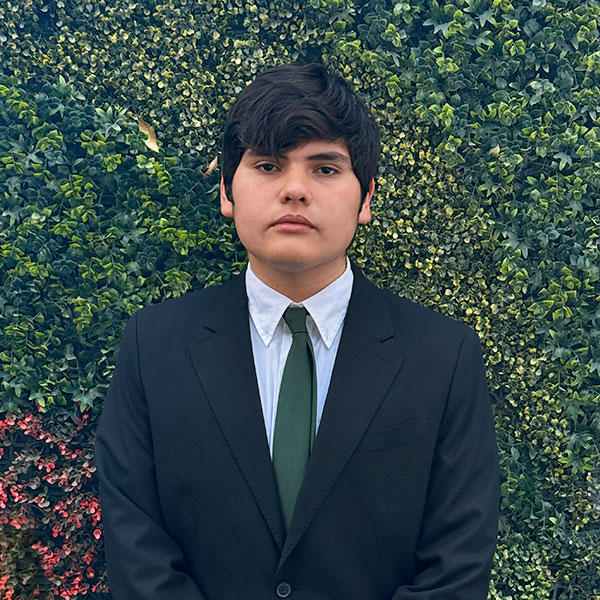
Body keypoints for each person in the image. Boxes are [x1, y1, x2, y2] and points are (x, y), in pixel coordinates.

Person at [94, 62, 499, 600]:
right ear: (226, 192)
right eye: (267, 165)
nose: (294, 190)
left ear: (366, 198)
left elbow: (458, 561)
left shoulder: (443, 357)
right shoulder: (154, 346)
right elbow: (136, 548)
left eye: (325, 168)